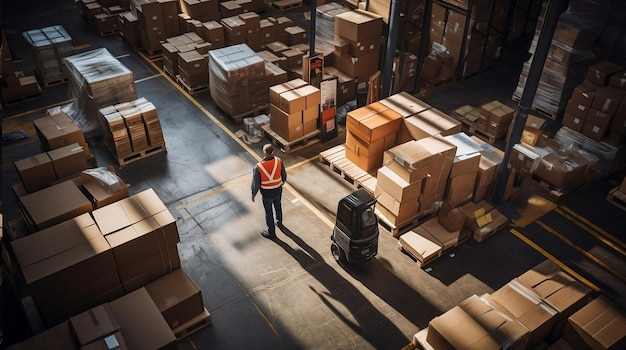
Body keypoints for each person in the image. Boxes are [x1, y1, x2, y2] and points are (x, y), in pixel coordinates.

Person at [251, 144, 287, 239]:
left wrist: (253, 194)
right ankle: (279, 222)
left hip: (267, 193)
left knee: (269, 212)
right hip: (278, 190)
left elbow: (256, 183)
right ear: (272, 152)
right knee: (278, 205)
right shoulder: (278, 161)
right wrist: (282, 182)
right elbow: (284, 174)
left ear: (264, 152)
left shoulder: (258, 167)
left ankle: (271, 232)